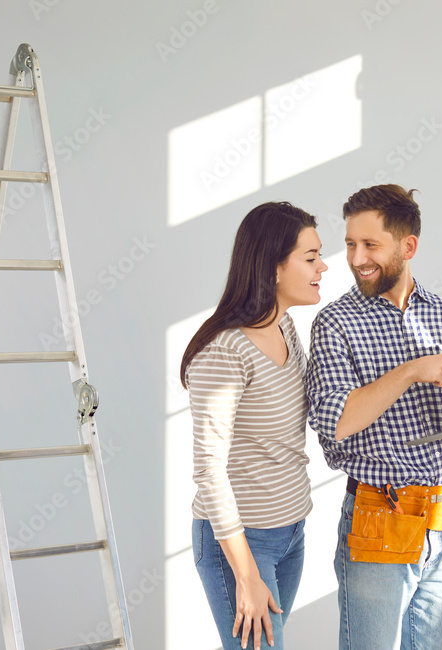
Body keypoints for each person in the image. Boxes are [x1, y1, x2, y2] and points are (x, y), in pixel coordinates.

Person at [304, 184, 442, 649]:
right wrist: (411, 371)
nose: (355, 257)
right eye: (350, 244)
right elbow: (335, 423)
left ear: (408, 247)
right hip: (381, 517)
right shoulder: (336, 323)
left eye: (370, 245)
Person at [182, 201, 328, 650]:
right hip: (241, 546)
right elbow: (209, 470)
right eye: (310, 258)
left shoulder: (285, 328)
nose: (323, 266)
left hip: (291, 533)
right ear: (274, 267)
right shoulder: (225, 351)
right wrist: (246, 575)